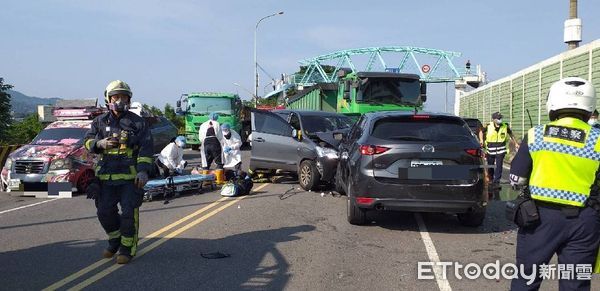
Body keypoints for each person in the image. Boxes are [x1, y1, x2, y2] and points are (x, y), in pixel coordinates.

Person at [509, 77, 600, 290]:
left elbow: (516, 179)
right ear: (590, 106)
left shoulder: (536, 135)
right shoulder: (597, 139)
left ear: (553, 103)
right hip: (586, 220)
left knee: (526, 279)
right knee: (575, 283)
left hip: (539, 219)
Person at [84, 80, 154, 265]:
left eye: (124, 97)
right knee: (104, 212)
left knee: (128, 213)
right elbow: (87, 142)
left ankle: (127, 248)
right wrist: (98, 144)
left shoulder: (138, 122)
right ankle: (114, 240)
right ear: (108, 98)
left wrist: (143, 172)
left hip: (130, 179)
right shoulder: (99, 122)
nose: (120, 100)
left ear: (129, 99)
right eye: (116, 96)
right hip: (105, 178)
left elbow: (146, 149)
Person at [479, 111, 519, 188]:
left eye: (501, 118)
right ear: (493, 119)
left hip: (501, 150)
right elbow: (481, 131)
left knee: (499, 166)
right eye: (498, 118)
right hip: (490, 150)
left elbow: (511, 134)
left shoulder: (505, 126)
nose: (500, 119)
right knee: (491, 166)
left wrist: (516, 143)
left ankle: (496, 182)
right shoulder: (488, 126)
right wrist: (481, 140)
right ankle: (490, 180)